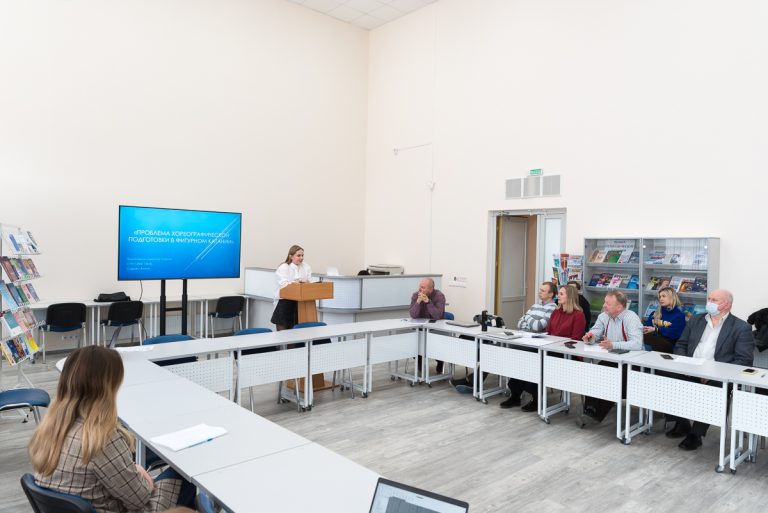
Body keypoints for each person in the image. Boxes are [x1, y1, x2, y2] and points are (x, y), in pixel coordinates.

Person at [28, 346, 196, 512]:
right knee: (187, 473)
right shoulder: (101, 440)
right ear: (107, 386)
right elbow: (140, 498)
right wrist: (142, 477)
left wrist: (134, 469)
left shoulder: (50, 429)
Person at [665, 289, 754, 450]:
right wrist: (684, 365)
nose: (709, 303)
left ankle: (696, 434)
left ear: (727, 304)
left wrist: (714, 373)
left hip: (718, 376)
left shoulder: (741, 327)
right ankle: (682, 422)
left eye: (715, 300)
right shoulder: (696, 320)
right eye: (709, 299)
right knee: (666, 375)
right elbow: (681, 344)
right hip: (690, 369)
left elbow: (744, 360)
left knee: (716, 389)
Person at [503, 284, 585, 411]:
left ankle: (536, 398)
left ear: (570, 297)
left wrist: (556, 343)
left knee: (536, 360)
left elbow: (576, 339)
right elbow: (549, 332)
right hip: (550, 348)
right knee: (524, 356)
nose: (558, 296)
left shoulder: (578, 315)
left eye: (561, 294)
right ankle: (515, 395)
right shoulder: (556, 312)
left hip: (567, 354)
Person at [576, 290, 644, 426]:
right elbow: (595, 331)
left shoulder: (631, 317)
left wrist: (613, 344)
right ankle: (589, 410)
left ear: (619, 307)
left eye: (608, 303)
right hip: (613, 358)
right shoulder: (604, 316)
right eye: (604, 302)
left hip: (631, 362)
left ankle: (595, 415)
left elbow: (637, 344)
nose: (604, 305)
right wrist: (590, 337)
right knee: (595, 372)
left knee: (612, 378)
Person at [499, 282, 557, 409]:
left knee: (522, 358)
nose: (539, 292)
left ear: (551, 294)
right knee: (513, 352)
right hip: (525, 338)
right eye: (540, 290)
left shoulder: (553, 308)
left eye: (543, 291)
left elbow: (538, 326)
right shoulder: (535, 305)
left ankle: (527, 396)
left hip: (538, 344)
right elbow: (520, 323)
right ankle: (515, 395)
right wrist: (529, 321)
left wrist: (528, 317)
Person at [409, 278, 446, 373]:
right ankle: (420, 366)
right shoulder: (415, 295)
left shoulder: (439, 296)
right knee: (415, 343)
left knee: (435, 345)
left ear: (431, 289)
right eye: (420, 286)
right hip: (421, 329)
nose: (420, 289)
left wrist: (428, 302)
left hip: (436, 329)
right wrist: (418, 302)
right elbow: (413, 315)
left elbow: (437, 316)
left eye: (423, 287)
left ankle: (440, 361)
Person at [271, 244, 311, 331]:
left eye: (302, 255)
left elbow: (308, 281)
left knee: (295, 333)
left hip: (299, 304)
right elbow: (284, 285)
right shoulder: (284, 267)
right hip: (284, 303)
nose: (301, 258)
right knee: (282, 334)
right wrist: (299, 281)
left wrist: (305, 282)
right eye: (298, 255)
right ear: (291, 256)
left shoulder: (306, 266)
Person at [642, 286, 686, 353]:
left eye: (663, 296)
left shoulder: (679, 316)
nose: (661, 299)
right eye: (660, 297)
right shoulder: (654, 314)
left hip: (669, 345)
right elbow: (648, 327)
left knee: (647, 338)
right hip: (652, 341)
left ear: (672, 297)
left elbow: (674, 334)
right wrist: (644, 329)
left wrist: (656, 329)